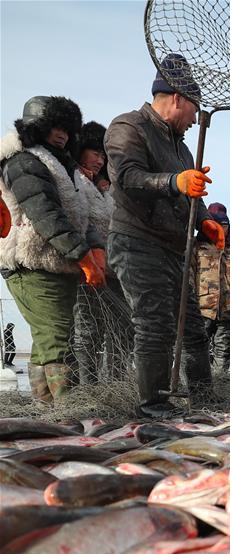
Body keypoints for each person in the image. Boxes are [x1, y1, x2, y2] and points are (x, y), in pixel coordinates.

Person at [105, 55, 225, 417]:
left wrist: (204, 220)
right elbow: (127, 178)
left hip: (175, 250)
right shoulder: (129, 127)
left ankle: (204, 396)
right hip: (137, 242)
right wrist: (176, 181)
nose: (194, 120)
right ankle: (153, 404)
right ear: (177, 99)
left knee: (192, 328)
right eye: (194, 109)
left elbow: (191, 194)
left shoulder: (183, 147)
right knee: (154, 323)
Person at [0, 96, 105, 403]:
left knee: (47, 339)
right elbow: (44, 212)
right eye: (55, 127)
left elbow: (83, 214)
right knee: (58, 338)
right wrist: (80, 252)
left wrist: (94, 247)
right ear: (37, 127)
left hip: (56, 262)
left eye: (67, 129)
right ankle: (65, 408)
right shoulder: (23, 160)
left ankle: (47, 411)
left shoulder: (60, 164)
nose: (62, 134)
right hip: (32, 263)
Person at [70, 121, 134, 384]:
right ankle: (89, 387)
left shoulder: (104, 190)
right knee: (88, 328)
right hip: (85, 268)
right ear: (80, 150)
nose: (99, 160)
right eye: (94, 153)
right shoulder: (73, 180)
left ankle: (117, 382)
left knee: (123, 324)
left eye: (102, 155)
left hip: (113, 269)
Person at [191, 202, 230, 374]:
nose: (221, 228)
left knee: (224, 349)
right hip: (202, 310)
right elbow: (188, 276)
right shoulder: (196, 247)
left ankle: (219, 382)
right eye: (217, 224)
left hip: (229, 309)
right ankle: (200, 385)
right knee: (198, 349)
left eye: (224, 225)